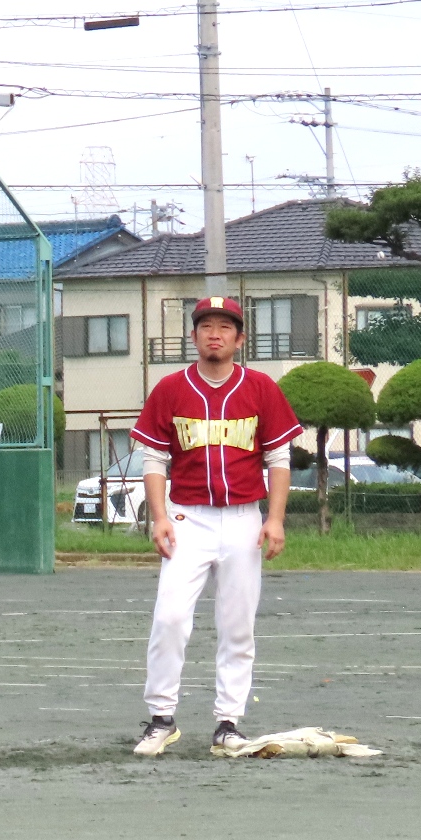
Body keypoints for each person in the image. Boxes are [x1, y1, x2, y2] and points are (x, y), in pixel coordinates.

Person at [128, 296, 301, 758]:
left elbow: (279, 457)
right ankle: (161, 718)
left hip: (244, 518)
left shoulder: (261, 388)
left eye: (225, 326)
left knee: (237, 624)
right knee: (169, 617)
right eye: (206, 326)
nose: (215, 334)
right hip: (188, 518)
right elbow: (154, 458)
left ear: (240, 339)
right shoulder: (171, 388)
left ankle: (228, 723)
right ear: (194, 336)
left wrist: (275, 519)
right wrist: (159, 516)